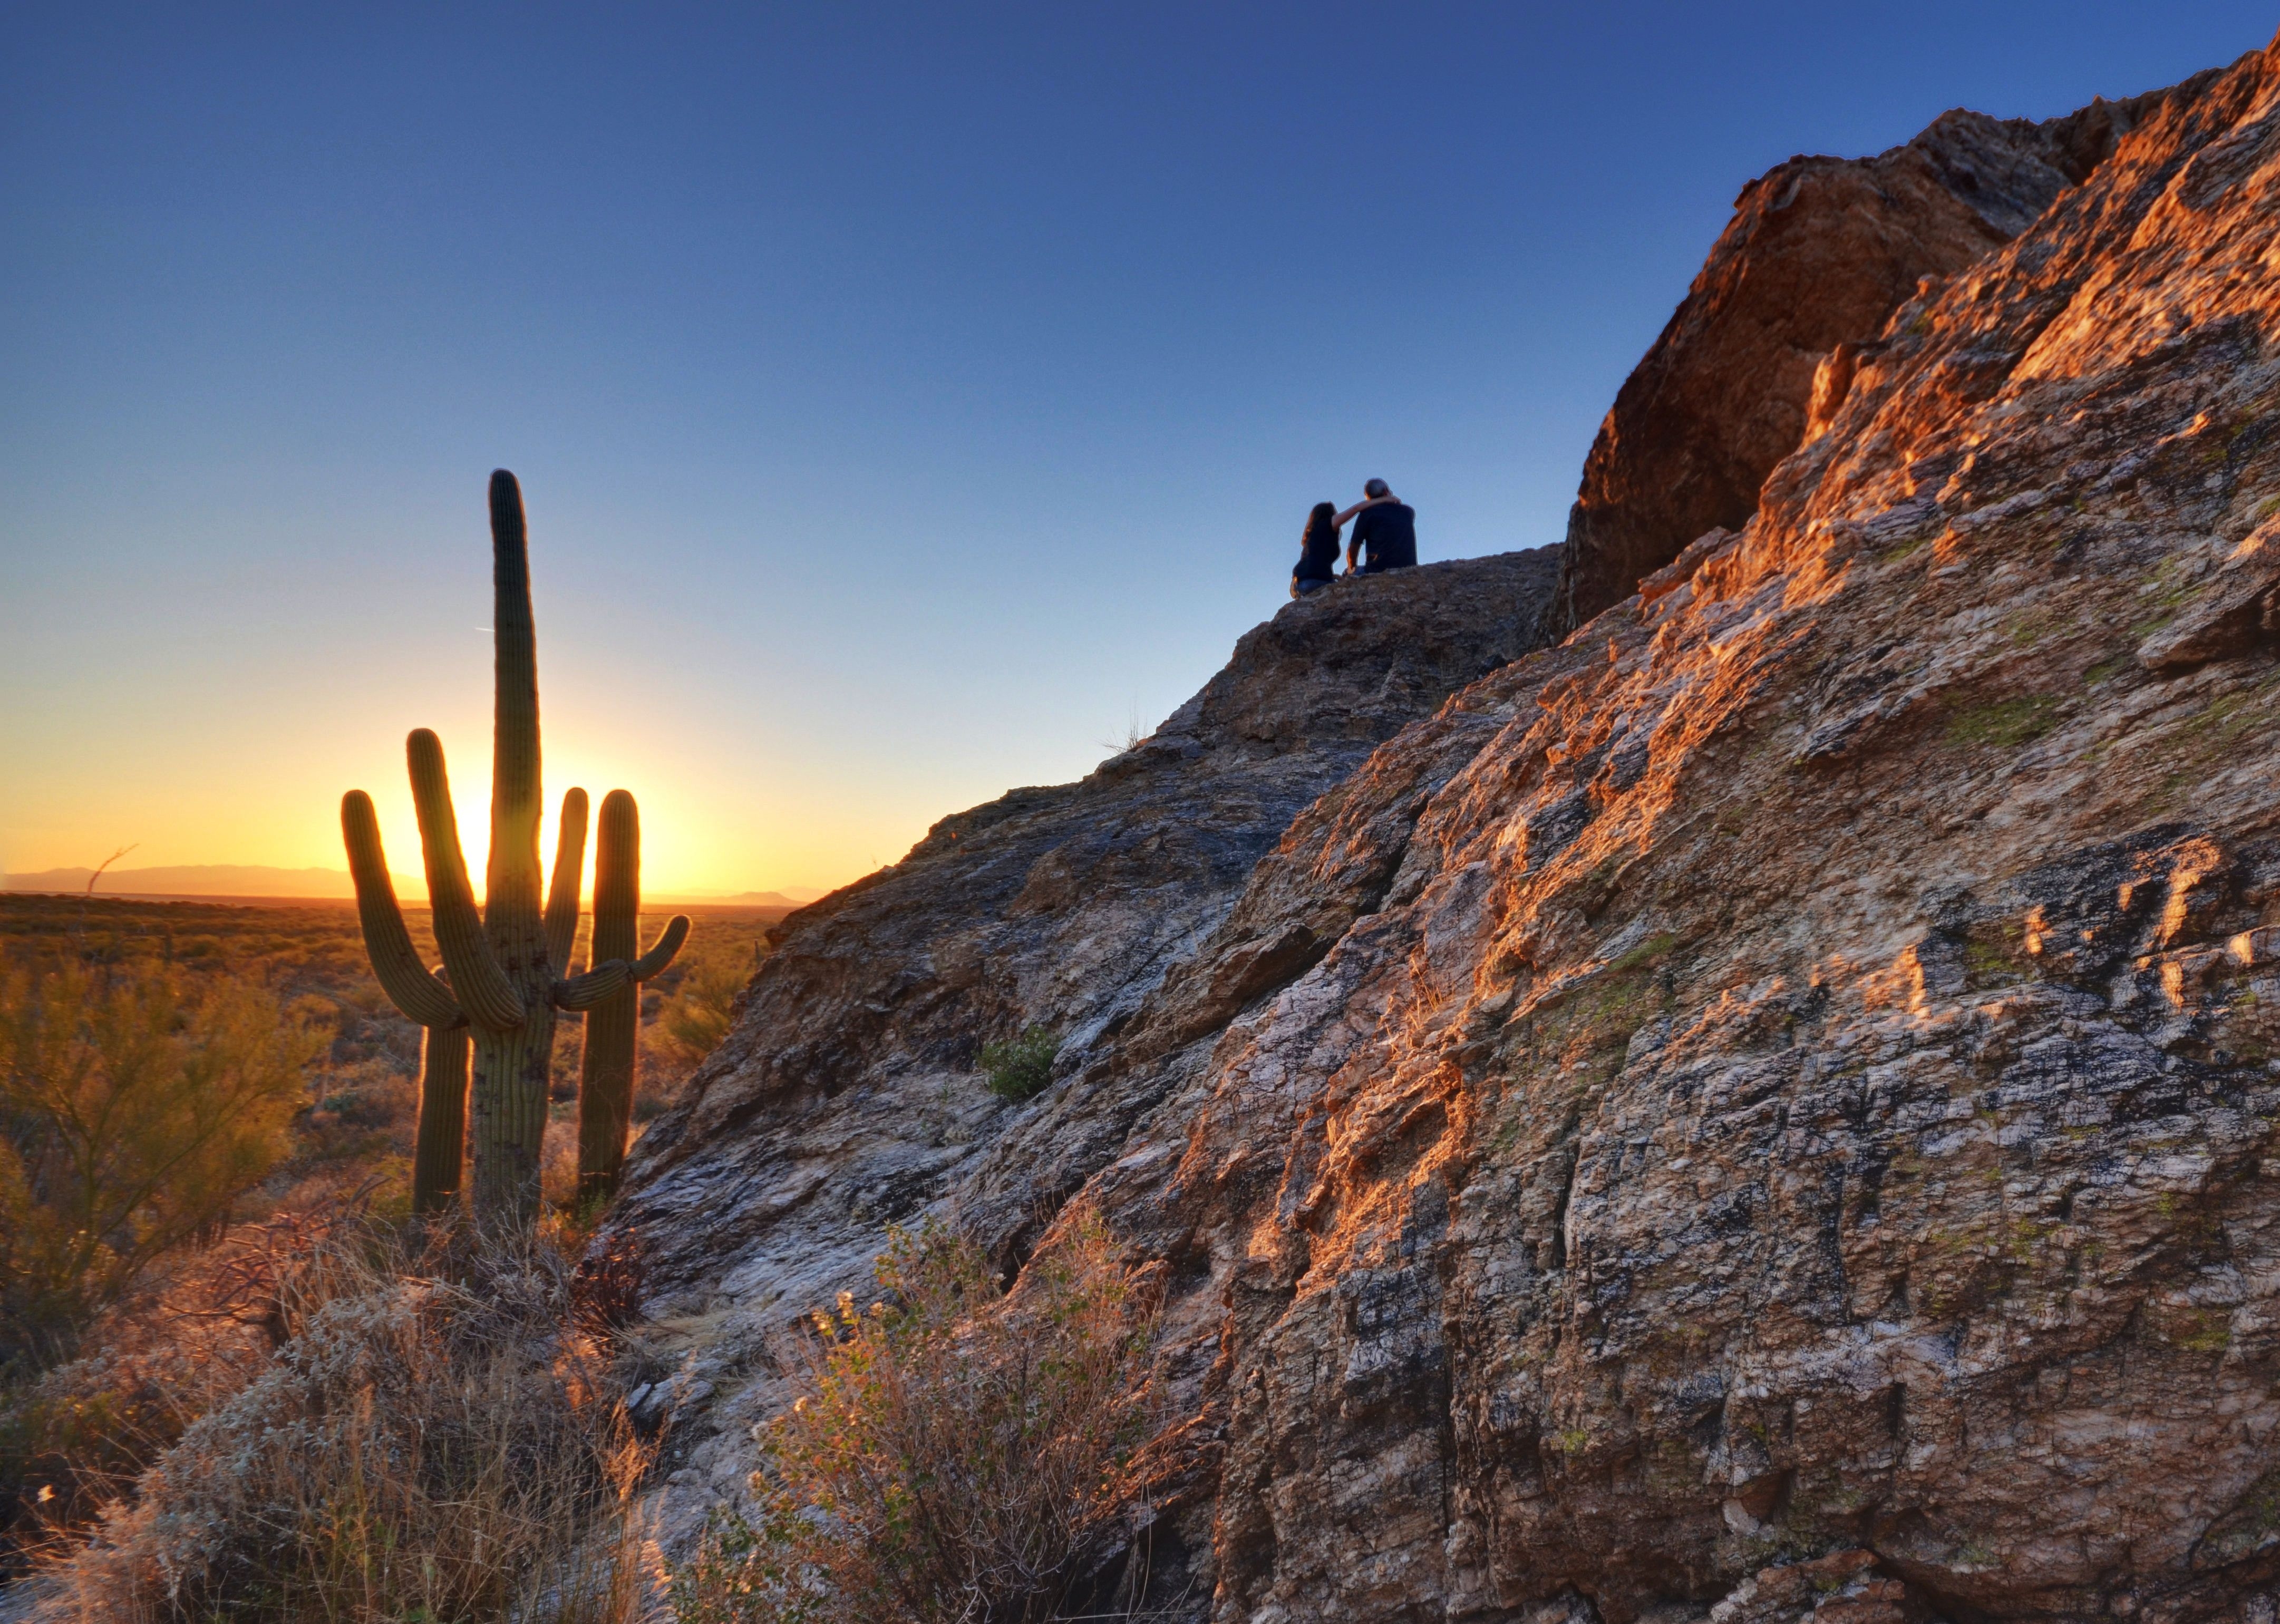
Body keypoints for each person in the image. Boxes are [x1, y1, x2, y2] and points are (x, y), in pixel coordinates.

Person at [1289, 490, 1399, 600]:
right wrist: (1383, 500)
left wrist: (1332, 576)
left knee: (1342, 581)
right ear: (1330, 514)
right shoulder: (1329, 523)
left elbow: (1314, 563)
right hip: (1315, 583)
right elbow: (1356, 509)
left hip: (1301, 584)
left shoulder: (1311, 536)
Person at [1343, 479, 1416, 576]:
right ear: (1386, 491)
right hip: (1409, 567)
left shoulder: (1367, 514)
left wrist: (1351, 568)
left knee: (1346, 574)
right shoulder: (1408, 511)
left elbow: (1353, 548)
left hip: (1378, 570)